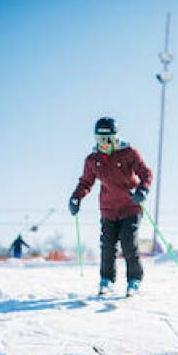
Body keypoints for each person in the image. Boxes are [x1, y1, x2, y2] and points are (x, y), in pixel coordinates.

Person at [69, 117, 152, 296]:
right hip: (108, 210)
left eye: (108, 140)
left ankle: (134, 281)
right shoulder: (92, 160)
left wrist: (142, 190)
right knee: (107, 246)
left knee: (129, 244)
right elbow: (85, 182)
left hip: (130, 207)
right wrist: (76, 198)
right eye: (100, 140)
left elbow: (145, 173)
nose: (104, 144)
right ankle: (106, 280)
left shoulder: (129, 153)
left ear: (115, 138)